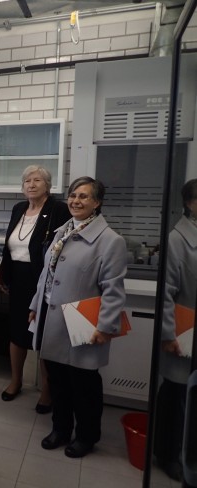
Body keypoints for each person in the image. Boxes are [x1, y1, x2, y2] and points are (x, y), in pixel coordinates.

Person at [28, 176, 127, 458]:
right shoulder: (62, 232)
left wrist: (105, 326)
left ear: (97, 203)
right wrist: (36, 305)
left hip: (84, 322)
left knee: (83, 384)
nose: (76, 201)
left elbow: (113, 290)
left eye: (84, 197)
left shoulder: (110, 241)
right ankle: (60, 428)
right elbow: (46, 276)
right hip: (52, 315)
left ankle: (86, 436)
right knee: (57, 379)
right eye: (73, 195)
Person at [0, 166, 71, 412]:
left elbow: (62, 249)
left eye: (37, 180)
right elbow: (11, 247)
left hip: (42, 280)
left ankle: (47, 393)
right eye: (27, 180)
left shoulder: (58, 209)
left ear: (47, 185)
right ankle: (16, 381)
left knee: (42, 335)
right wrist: (5, 278)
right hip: (17, 279)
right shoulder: (19, 209)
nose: (31, 184)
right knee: (16, 333)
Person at [153, 178, 197, 481]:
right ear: (191, 203)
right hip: (183, 331)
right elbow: (166, 291)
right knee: (177, 394)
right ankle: (169, 455)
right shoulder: (178, 239)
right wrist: (168, 333)